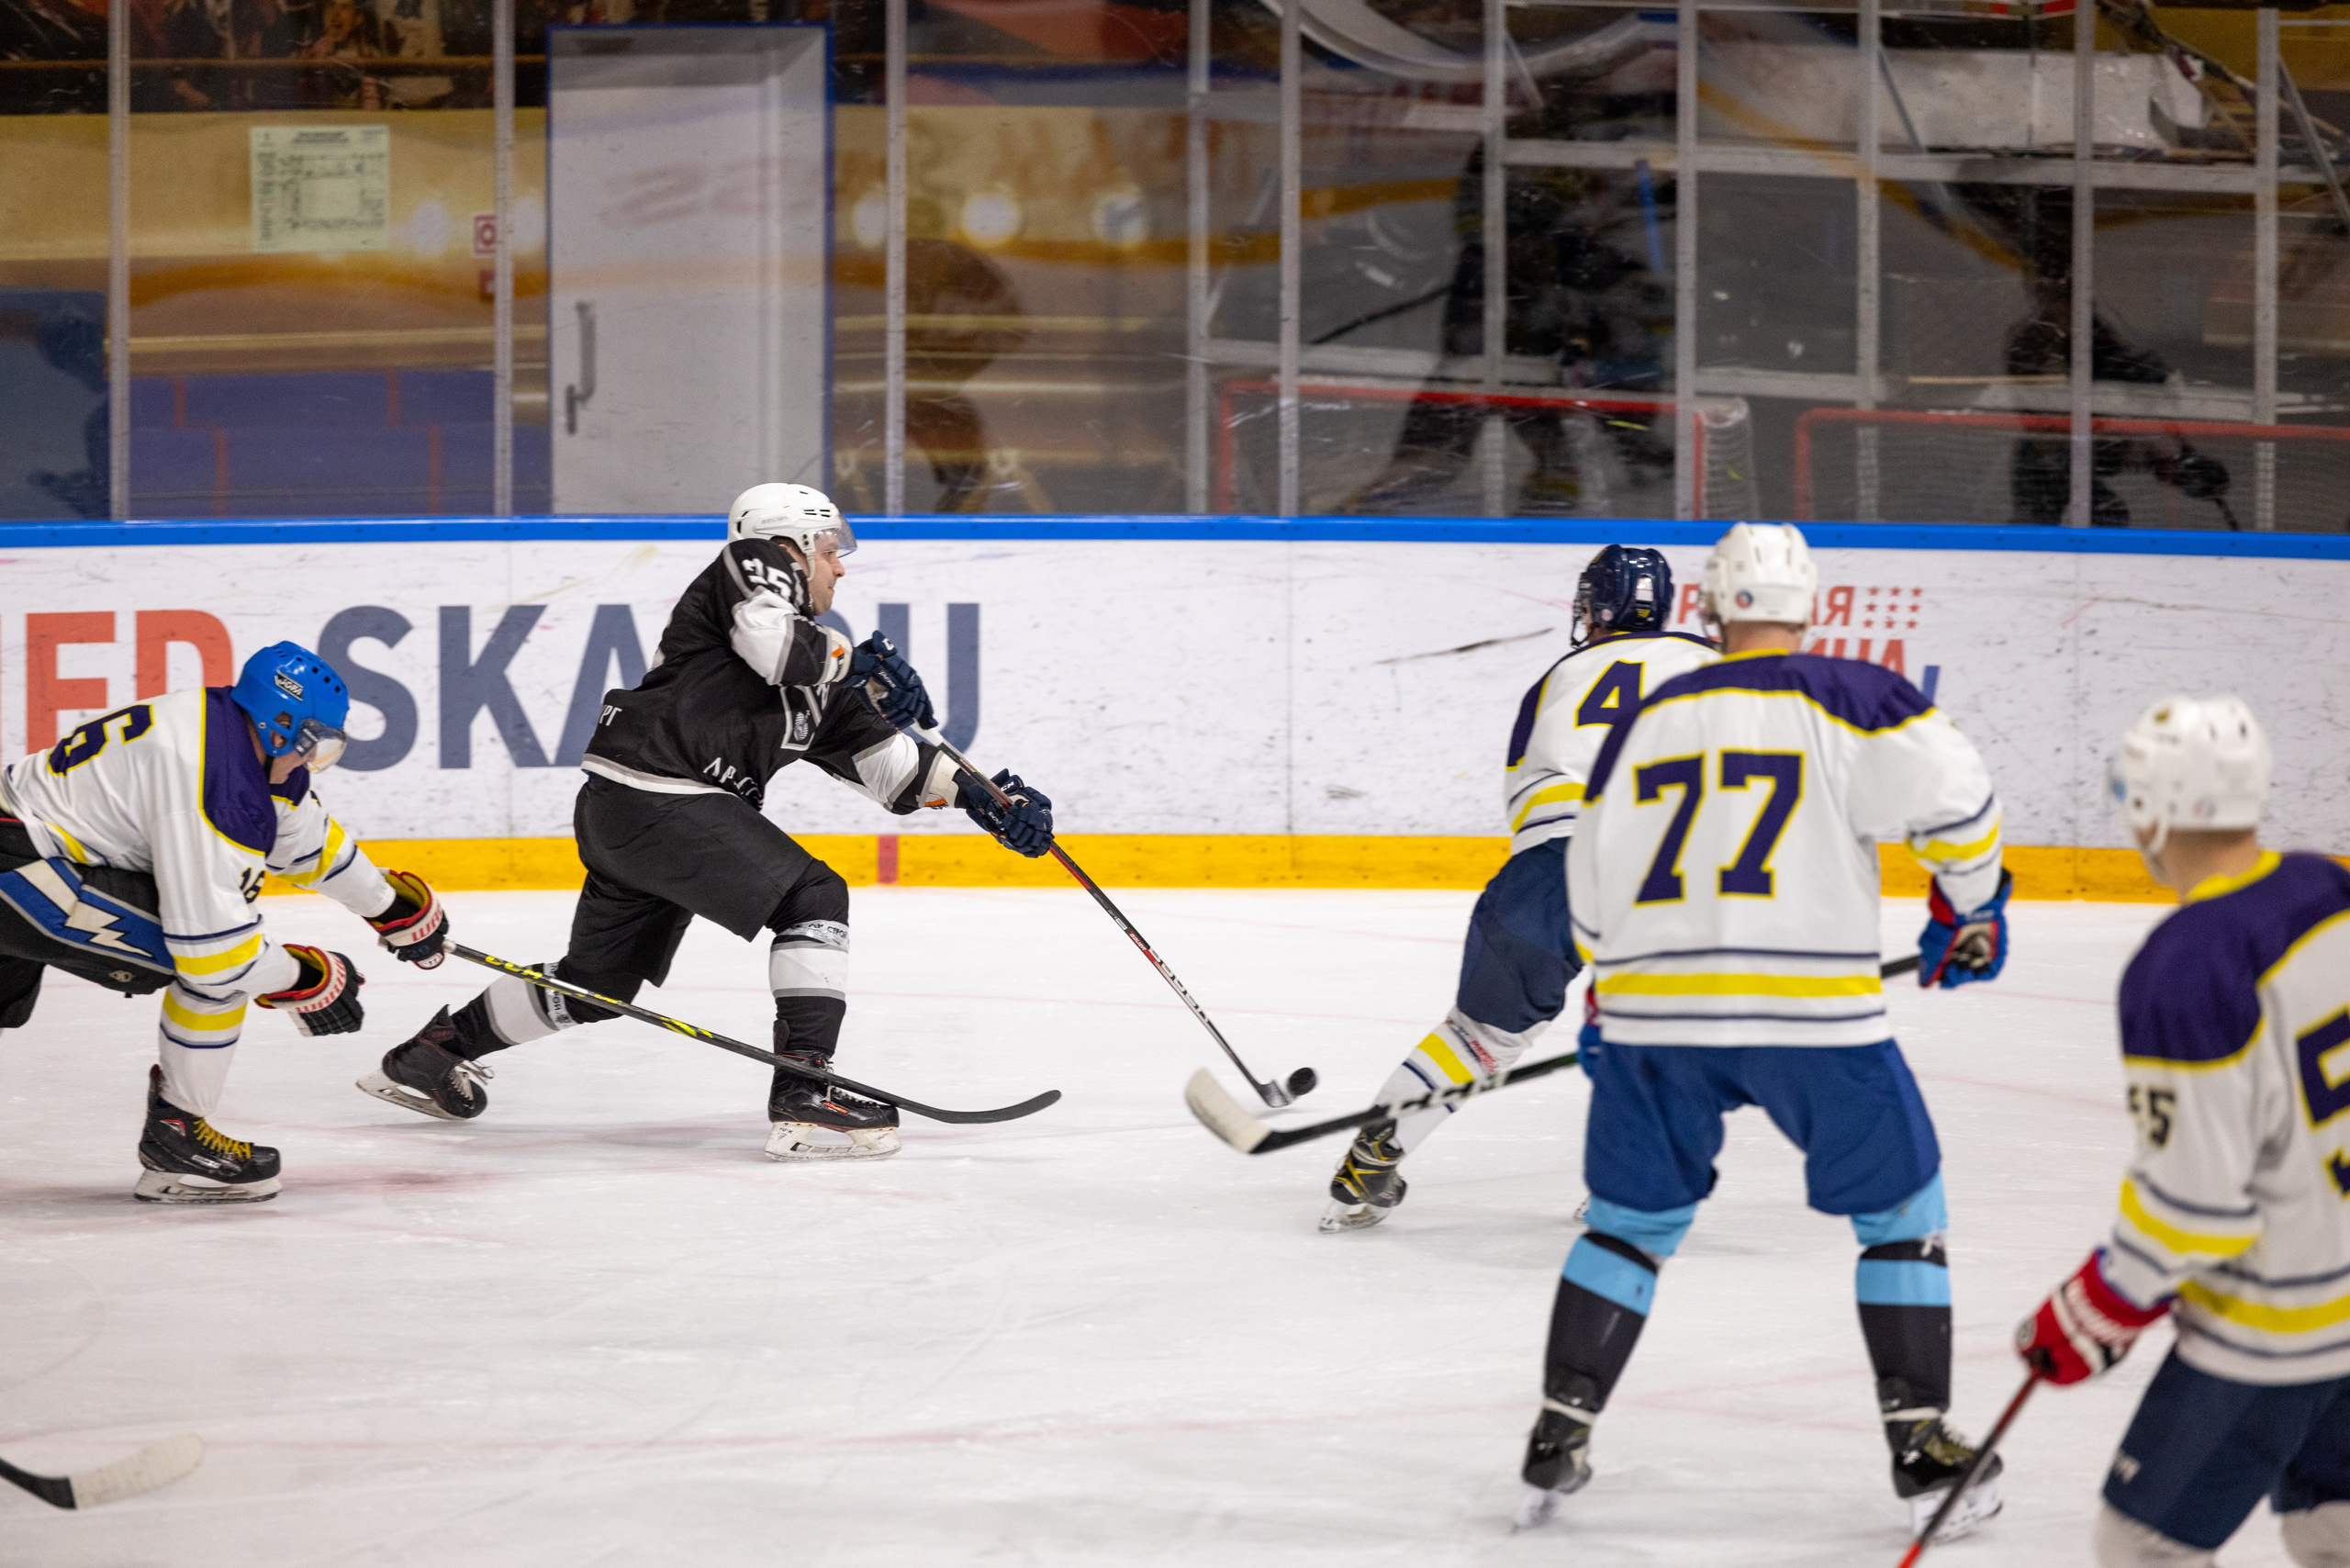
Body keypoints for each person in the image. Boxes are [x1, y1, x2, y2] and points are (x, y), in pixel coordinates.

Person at [1523, 521, 2015, 1541]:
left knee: (1628, 1222)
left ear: (1711, 608)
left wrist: (1611, 993)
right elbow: (1960, 806)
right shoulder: (1853, 693)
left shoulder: (1649, 718)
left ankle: (1557, 1431)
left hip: (1658, 1013)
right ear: (1810, 607)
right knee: (1902, 1210)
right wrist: (1969, 909)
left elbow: (1589, 872)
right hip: (1813, 1016)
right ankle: (1919, 1441)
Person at [362, 482, 1055, 1160]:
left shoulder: (820, 675)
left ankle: (430, 1055)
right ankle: (807, 1086)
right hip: (663, 792)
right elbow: (776, 648)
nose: (840, 565)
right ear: (792, 543)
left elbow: (894, 769)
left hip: (632, 810)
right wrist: (853, 662)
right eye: (830, 547)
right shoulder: (754, 565)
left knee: (597, 986)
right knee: (812, 896)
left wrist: (985, 800)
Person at [2015, 696, 2350, 1568]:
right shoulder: (2331, 883)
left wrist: (2098, 1304)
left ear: (2147, 806)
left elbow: (2200, 1203)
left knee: (2144, 1546)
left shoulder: (2187, 963)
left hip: (2281, 1321)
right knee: (2334, 1527)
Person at [1322, 544, 1715, 1230]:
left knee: (1480, 1034)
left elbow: (1529, 796)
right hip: (1669, 862)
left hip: (1551, 864)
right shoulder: (1712, 662)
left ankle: (1373, 1157)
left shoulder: (1556, 679)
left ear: (1595, 608)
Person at [0, 642, 448, 1203]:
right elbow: (215, 955)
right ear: (281, 726)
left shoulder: (231, 728)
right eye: (314, 744)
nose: (312, 760)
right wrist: (308, 979)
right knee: (219, 965)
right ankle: (179, 1141)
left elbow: (302, 837)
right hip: (21, 870)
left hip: (22, 851)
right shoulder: (218, 779)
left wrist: (387, 905)